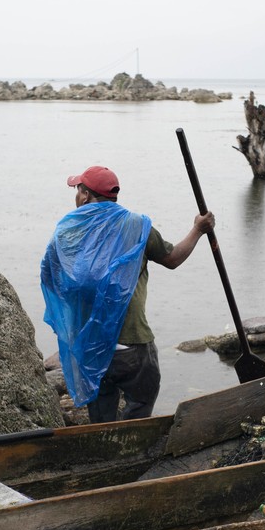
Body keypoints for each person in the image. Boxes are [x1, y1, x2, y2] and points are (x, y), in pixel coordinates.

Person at [41, 165, 214, 422]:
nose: (76, 196)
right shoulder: (136, 227)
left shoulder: (68, 232)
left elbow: (53, 278)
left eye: (78, 190)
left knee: (101, 418)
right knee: (140, 406)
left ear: (86, 195)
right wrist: (198, 230)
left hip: (91, 347)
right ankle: (134, 451)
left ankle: (104, 451)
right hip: (133, 346)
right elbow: (172, 258)